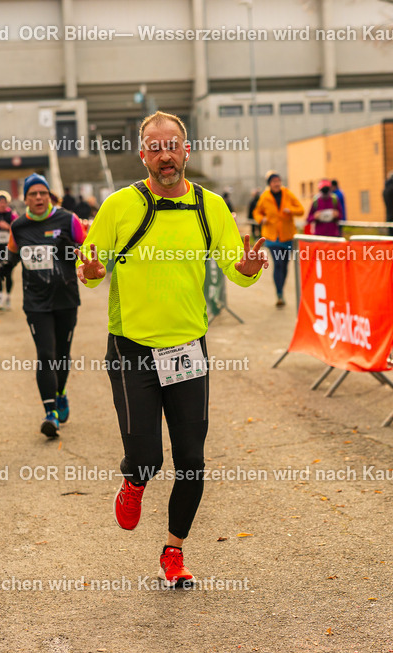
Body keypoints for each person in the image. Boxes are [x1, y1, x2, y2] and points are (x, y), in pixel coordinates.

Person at [76, 111, 268, 588]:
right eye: (155, 146)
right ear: (143, 155)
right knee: (147, 457)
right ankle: (134, 480)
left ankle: (173, 552)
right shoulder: (120, 205)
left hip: (187, 349)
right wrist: (91, 272)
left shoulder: (211, 207)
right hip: (132, 348)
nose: (165, 154)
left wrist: (249, 266)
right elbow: (91, 264)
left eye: (173, 144)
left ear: (187, 150)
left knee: (192, 461)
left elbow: (237, 271)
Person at [1, 174, 86, 438]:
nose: (38, 198)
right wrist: (6, 265)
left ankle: (60, 393)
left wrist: (71, 247)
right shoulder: (19, 226)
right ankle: (50, 413)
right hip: (36, 302)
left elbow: (89, 250)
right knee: (46, 355)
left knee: (62, 354)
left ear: (49, 196)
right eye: (33, 194)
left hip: (66, 298)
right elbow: (14, 252)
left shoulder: (67, 219)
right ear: (25, 198)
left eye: (43, 193)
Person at [253, 171, 303, 307]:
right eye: (274, 181)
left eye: (278, 181)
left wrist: (291, 210)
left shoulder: (287, 194)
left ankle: (281, 289)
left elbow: (301, 210)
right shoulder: (265, 197)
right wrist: (260, 219)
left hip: (287, 236)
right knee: (278, 263)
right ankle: (279, 293)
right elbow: (256, 212)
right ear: (269, 184)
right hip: (272, 236)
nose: (277, 184)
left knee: (285, 265)